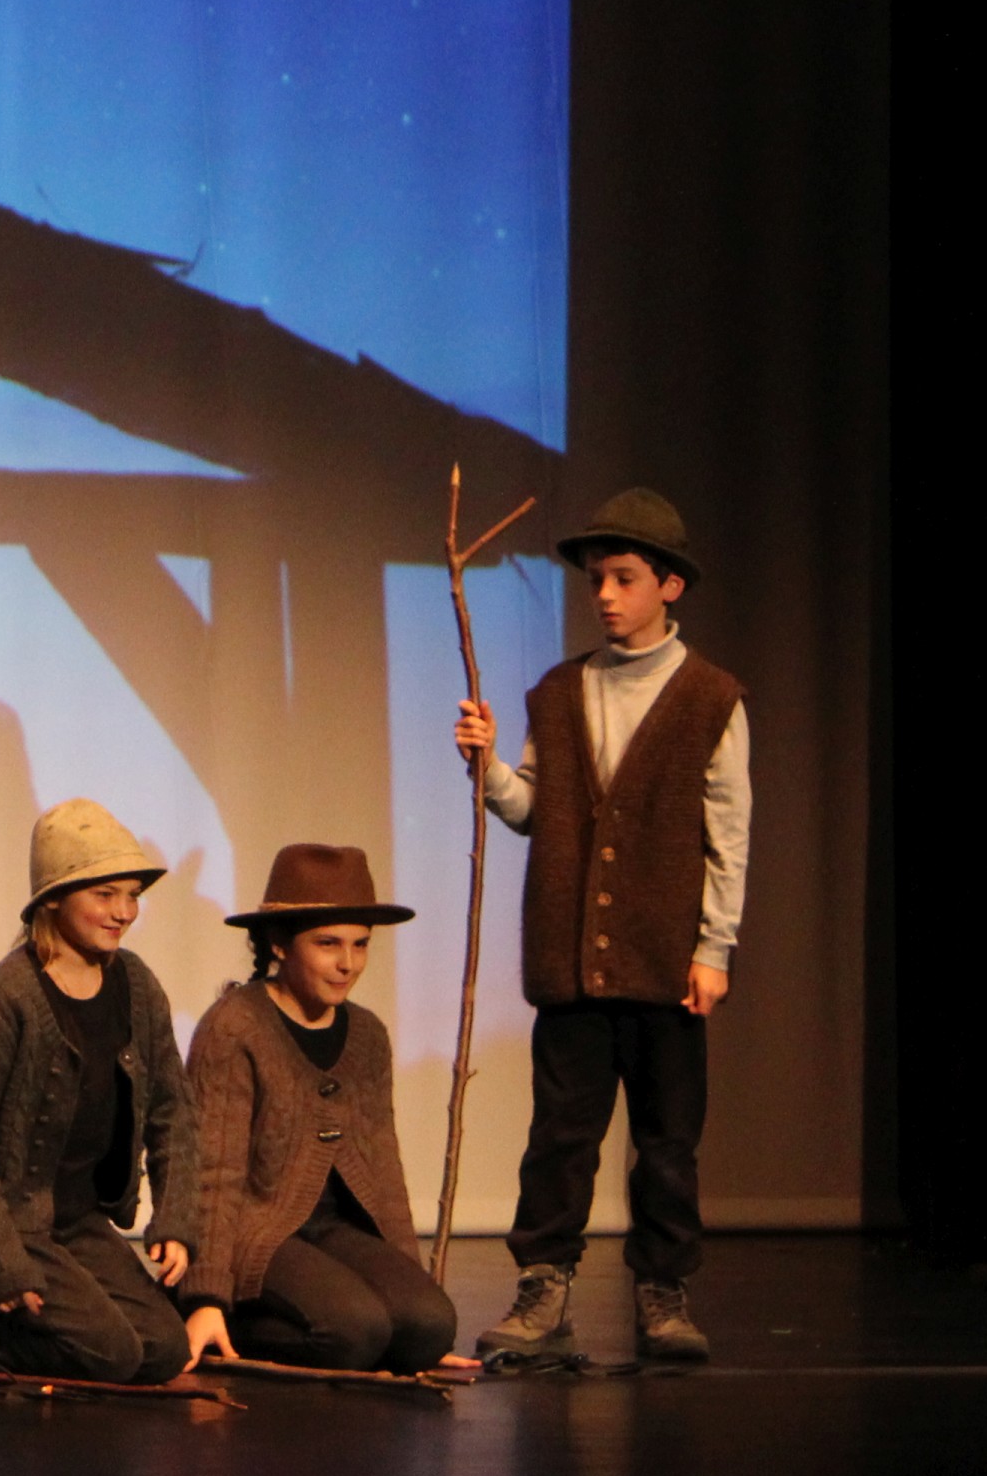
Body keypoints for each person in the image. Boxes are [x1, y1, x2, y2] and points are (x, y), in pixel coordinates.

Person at [450, 486, 751, 1368]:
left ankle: (663, 1291)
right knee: (560, 1138)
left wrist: (713, 948)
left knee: (667, 1143)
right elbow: (533, 809)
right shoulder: (559, 690)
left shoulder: (711, 697)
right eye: (597, 582)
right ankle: (544, 1286)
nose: (607, 596)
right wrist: (488, 767)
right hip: (573, 962)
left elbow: (728, 834)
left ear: (669, 586)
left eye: (624, 578)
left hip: (665, 963)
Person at [0, 797, 198, 1385]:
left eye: (132, 895)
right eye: (105, 894)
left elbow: (171, 1110)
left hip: (75, 1219)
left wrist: (173, 1219)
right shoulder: (10, 999)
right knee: (111, 1356)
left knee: (163, 1350)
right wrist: (0, 1263)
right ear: (52, 898)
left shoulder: (137, 986)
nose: (124, 912)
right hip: (3, 1220)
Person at [173, 841, 455, 1376]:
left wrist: (408, 1287)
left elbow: (383, 1165)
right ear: (279, 943)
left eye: (360, 945)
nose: (348, 964)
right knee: (355, 1333)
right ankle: (226, 1321)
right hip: (255, 1228)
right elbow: (212, 1171)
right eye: (328, 944)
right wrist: (204, 1295)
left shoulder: (366, 1033)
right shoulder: (235, 1026)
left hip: (332, 1229)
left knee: (429, 1326)